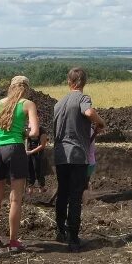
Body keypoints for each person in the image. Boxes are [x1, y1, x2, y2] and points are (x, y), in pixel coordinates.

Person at [0, 76, 39, 253]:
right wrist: (24, 132)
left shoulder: (0, 104)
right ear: (27, 89)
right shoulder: (27, 104)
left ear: (11, 87)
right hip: (15, 149)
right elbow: (35, 132)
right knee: (15, 198)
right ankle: (13, 241)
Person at [53, 68, 105, 252]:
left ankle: (60, 231)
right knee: (75, 196)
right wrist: (101, 123)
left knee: (62, 193)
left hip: (60, 155)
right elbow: (89, 113)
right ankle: (73, 238)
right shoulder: (83, 98)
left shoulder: (58, 104)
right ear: (83, 82)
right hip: (77, 155)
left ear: (69, 82)